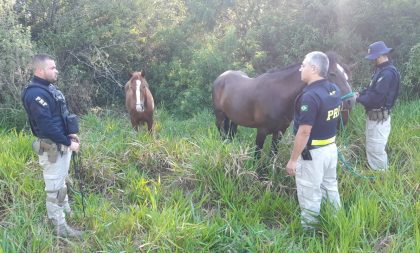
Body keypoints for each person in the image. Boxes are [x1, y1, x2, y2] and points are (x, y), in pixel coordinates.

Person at [21, 54, 83, 238]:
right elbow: (47, 126)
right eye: (52, 68)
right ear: (40, 70)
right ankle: (59, 227)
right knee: (54, 187)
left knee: (61, 181)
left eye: (55, 67)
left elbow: (59, 116)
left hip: (62, 142)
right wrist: (68, 143)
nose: (56, 70)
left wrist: (70, 132)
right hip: (51, 146)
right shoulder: (35, 93)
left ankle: (65, 209)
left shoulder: (49, 88)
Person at [286, 51, 342, 230]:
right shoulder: (334, 89)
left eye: (303, 65)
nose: (300, 69)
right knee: (330, 187)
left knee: (309, 192)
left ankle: (309, 233)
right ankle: (336, 221)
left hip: (313, 155)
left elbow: (304, 132)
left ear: (314, 68)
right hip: (330, 149)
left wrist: (293, 159)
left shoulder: (310, 96)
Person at [356, 41, 400, 171]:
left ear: (380, 56)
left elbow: (375, 98)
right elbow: (371, 90)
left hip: (379, 119)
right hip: (374, 118)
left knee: (376, 150)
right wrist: (360, 93)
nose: (372, 61)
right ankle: (375, 174)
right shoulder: (380, 71)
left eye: (373, 58)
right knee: (371, 147)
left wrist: (358, 99)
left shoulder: (387, 74)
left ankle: (381, 177)